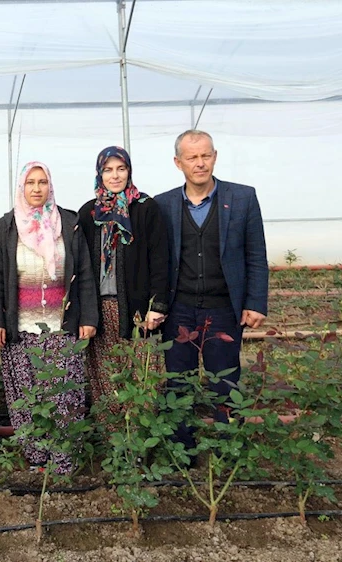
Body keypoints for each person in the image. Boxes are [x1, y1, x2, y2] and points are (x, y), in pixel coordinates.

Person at [154, 130, 268, 448]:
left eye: (206, 155)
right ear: (178, 163)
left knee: (227, 382)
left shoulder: (242, 198)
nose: (200, 163)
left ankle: (228, 450)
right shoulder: (163, 205)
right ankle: (183, 454)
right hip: (179, 310)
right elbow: (157, 261)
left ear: (215, 157)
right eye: (192, 157)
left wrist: (256, 302)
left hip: (223, 309)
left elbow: (256, 254)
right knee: (178, 383)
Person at [0, 161, 99, 473]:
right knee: (26, 398)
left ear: (50, 186)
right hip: (21, 331)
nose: (37, 189)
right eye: (30, 183)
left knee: (65, 396)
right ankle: (37, 461)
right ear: (21, 187)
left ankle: (64, 463)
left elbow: (85, 275)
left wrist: (88, 317)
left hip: (61, 330)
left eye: (42, 182)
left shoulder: (69, 223)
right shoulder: (6, 227)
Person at [77, 146, 169, 419]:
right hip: (101, 311)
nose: (115, 176)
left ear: (129, 171)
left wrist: (159, 304)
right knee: (105, 378)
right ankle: (114, 446)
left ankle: (139, 450)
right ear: (99, 174)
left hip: (138, 309)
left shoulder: (145, 208)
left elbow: (160, 258)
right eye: (108, 170)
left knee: (142, 376)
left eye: (121, 169)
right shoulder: (88, 214)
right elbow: (81, 268)